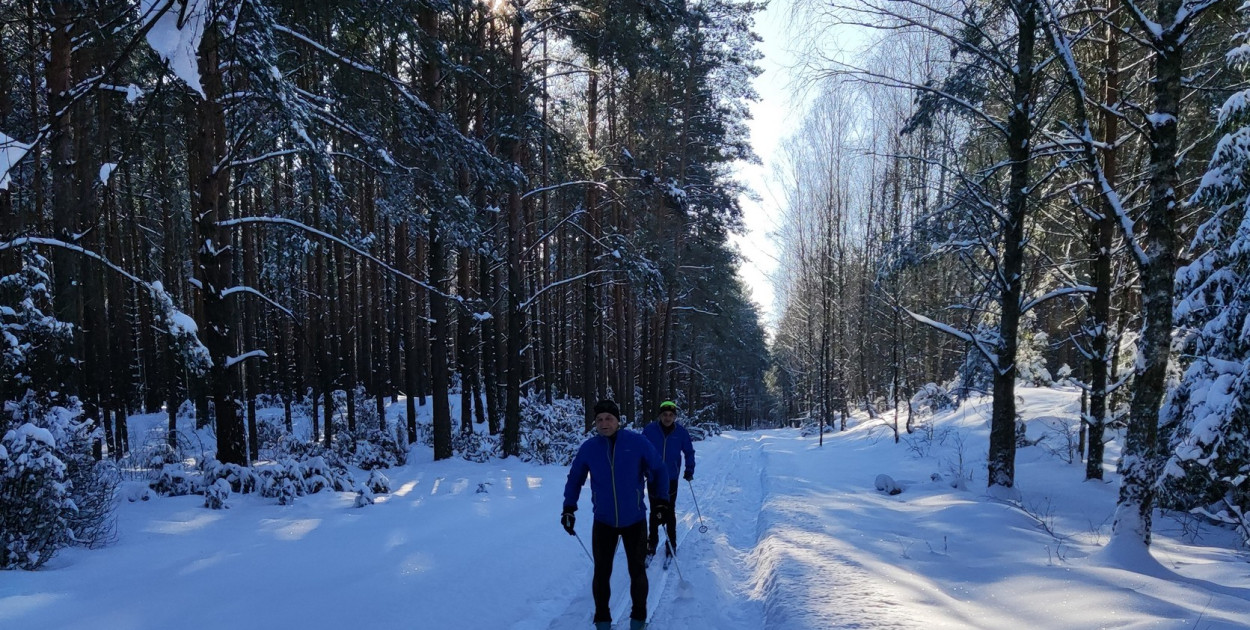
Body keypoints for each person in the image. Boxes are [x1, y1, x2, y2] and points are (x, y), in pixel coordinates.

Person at [562, 399, 670, 630]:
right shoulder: (589, 448)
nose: (604, 423)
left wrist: (661, 502)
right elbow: (575, 478)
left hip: (634, 520)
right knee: (601, 573)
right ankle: (602, 622)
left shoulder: (637, 442)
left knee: (637, 571)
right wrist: (569, 508)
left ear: (618, 421)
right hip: (604, 521)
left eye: (609, 418)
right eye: (599, 419)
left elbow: (659, 468)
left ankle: (638, 620)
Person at [641, 400, 695, 561]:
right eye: (665, 414)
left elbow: (689, 451)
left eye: (671, 415)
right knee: (654, 510)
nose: (668, 418)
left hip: (671, 477)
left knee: (669, 510)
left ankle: (671, 543)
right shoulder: (650, 430)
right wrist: (641, 469)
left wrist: (689, 469)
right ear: (660, 415)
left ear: (675, 417)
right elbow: (641, 451)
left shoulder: (681, 432)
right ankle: (652, 543)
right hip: (653, 477)